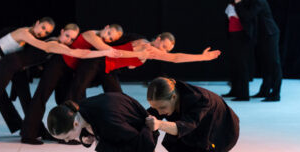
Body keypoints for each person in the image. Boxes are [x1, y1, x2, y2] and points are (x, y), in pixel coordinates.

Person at [0, 23, 119, 143]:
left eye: (71, 39)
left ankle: (34, 131)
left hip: (21, 68)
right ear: (61, 31)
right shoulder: (54, 43)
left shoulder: (56, 43)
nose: (68, 40)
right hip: (11, 64)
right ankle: (20, 135)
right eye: (67, 36)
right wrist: (104, 52)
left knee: (30, 99)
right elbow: (77, 53)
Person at [20, 24, 124, 145]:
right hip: (58, 64)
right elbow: (99, 51)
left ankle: (62, 133)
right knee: (42, 95)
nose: (108, 38)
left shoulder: (99, 39)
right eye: (109, 33)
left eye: (112, 39)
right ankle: (28, 134)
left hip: (68, 69)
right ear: (106, 27)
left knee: (64, 101)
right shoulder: (91, 34)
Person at [71, 32, 222, 102]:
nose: (163, 51)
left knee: (117, 97)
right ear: (157, 39)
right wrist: (202, 57)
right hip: (96, 62)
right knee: (77, 91)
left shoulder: (147, 52)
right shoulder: (146, 46)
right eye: (163, 46)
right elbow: (175, 58)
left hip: (106, 68)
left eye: (166, 49)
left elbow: (125, 59)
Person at [235, 0, 283, 101]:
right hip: (263, 35)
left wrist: (239, 4)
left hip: (270, 34)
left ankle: (276, 94)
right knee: (266, 64)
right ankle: (264, 91)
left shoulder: (257, 0)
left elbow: (248, 16)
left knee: (274, 64)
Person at [222, 0, 253, 101]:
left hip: (241, 35)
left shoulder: (244, 0)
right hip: (233, 35)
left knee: (242, 65)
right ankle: (234, 90)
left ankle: (244, 94)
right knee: (234, 64)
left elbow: (247, 18)